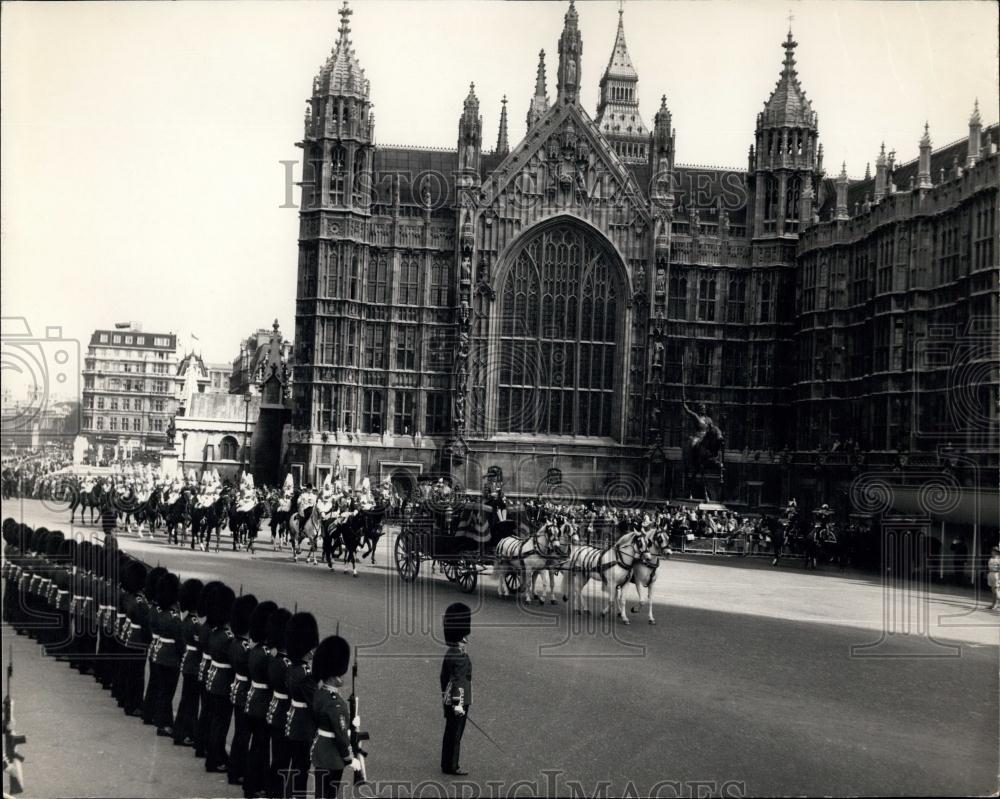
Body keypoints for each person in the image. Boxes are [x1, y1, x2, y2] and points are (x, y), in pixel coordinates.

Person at [310, 635, 360, 799]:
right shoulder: (336, 703)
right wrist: (349, 758)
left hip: (319, 751)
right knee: (330, 793)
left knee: (320, 793)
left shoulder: (319, 694)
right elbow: (340, 734)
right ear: (334, 676)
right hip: (332, 756)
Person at [284, 612, 320, 799]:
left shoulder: (292, 667)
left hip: (293, 722)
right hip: (303, 727)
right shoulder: (305, 674)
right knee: (301, 768)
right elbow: (316, 703)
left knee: (295, 766)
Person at [440, 602, 472, 776]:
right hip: (458, 700)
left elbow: (444, 678)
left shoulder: (450, 652)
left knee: (449, 732)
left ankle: (446, 763)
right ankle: (452, 765)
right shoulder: (460, 656)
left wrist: (447, 699)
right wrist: (458, 704)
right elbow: (460, 682)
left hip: (448, 698)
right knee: (456, 735)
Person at [987, 545, 1000, 611]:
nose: (992, 552)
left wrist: (999, 577)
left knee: (996, 591)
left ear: (997, 552)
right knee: (993, 591)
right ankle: (993, 604)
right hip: (991, 574)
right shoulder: (991, 559)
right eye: (992, 551)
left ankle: (996, 605)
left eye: (994, 551)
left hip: (996, 574)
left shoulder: (999, 559)